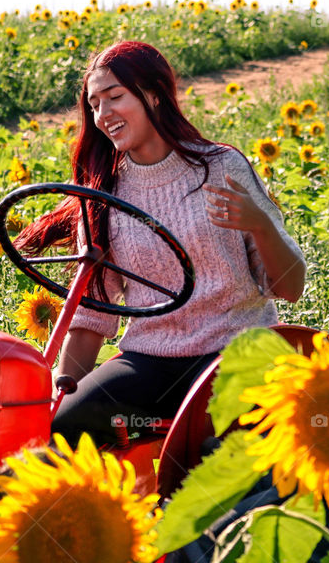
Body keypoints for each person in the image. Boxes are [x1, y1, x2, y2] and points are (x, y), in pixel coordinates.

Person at [16, 41, 306, 445]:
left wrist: (262, 226)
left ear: (153, 93)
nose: (103, 114)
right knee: (64, 431)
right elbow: (90, 320)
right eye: (95, 104)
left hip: (236, 351)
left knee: (221, 451)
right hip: (151, 360)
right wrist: (56, 409)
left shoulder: (221, 167)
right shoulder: (103, 194)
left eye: (115, 97)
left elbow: (290, 289)